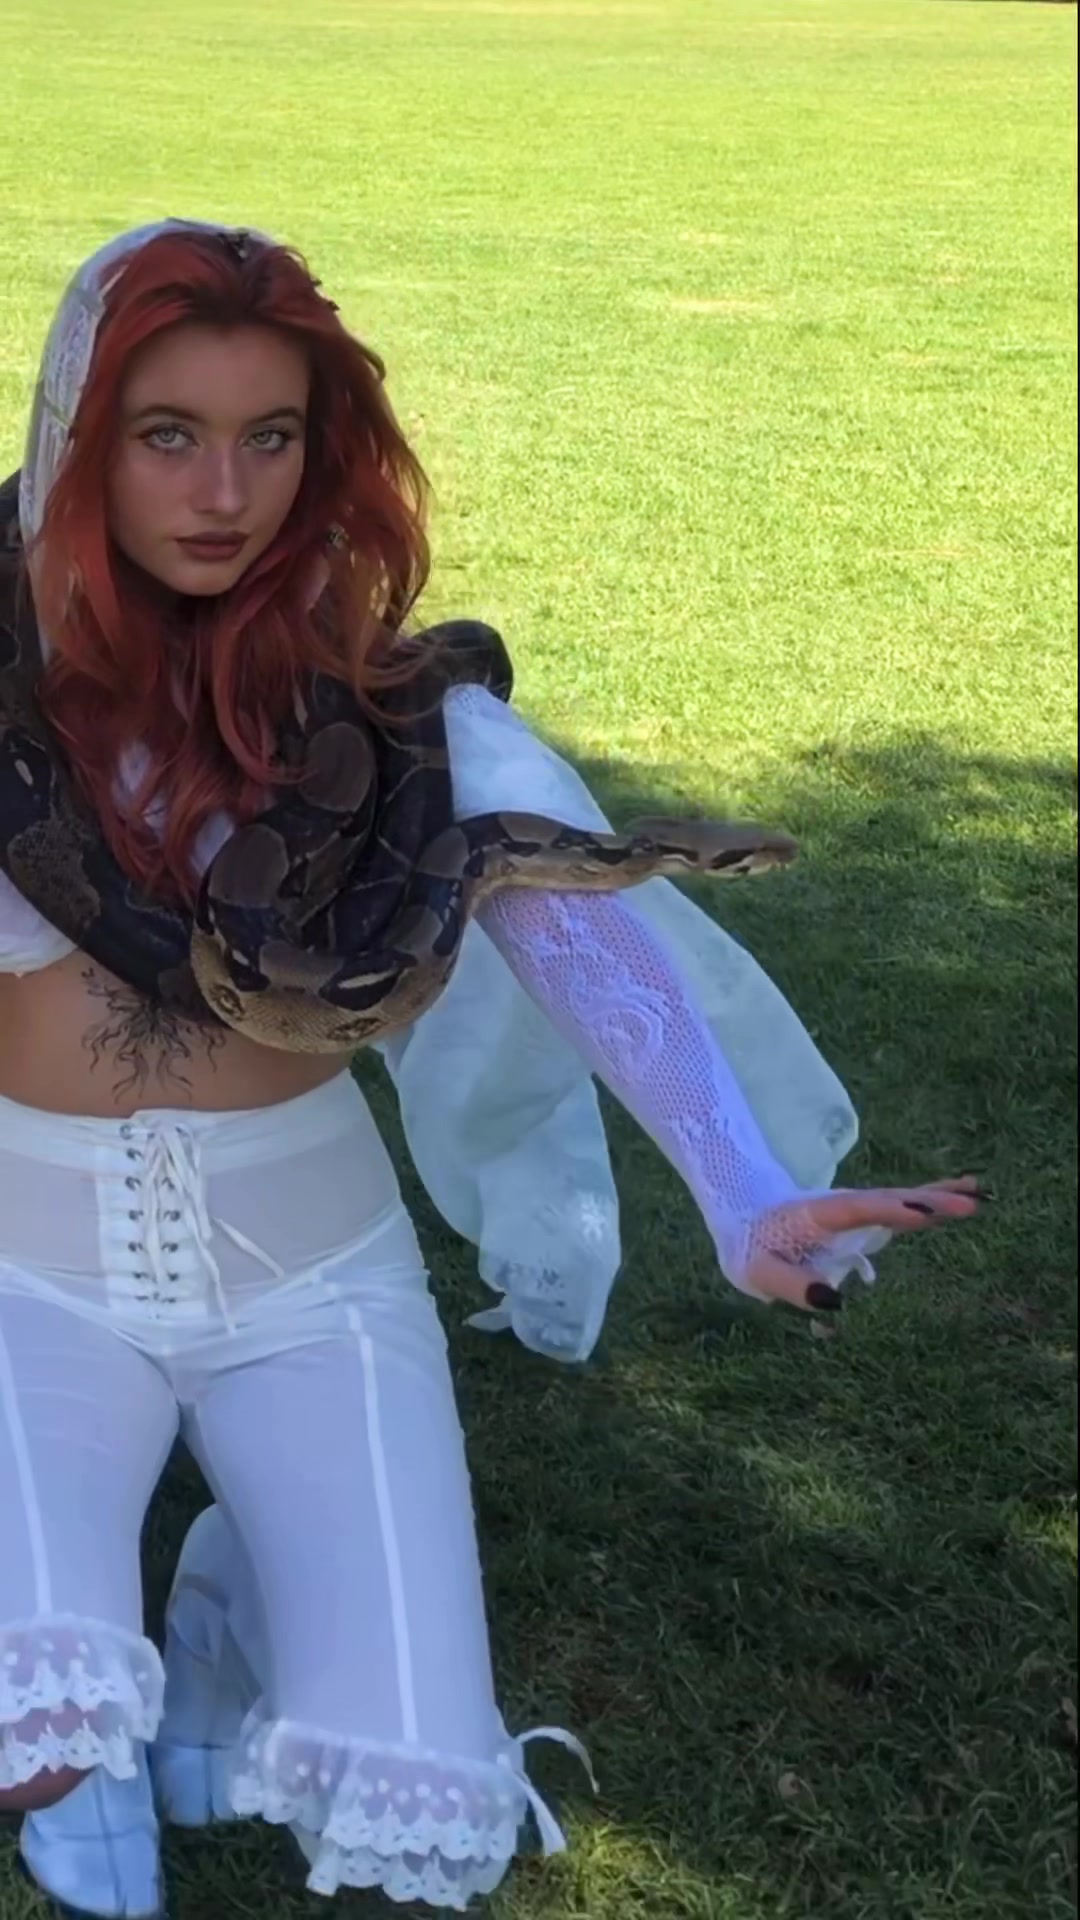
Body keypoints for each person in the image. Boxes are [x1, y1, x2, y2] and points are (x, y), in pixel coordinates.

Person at [0, 220, 981, 1919]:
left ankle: (218, 1640)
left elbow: (577, 929)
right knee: (31, 1740)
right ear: (82, 438)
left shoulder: (387, 709)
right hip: (29, 1263)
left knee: (418, 1784)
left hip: (312, 1267)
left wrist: (741, 1185)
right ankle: (89, 1756)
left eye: (269, 435)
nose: (223, 492)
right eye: (167, 435)